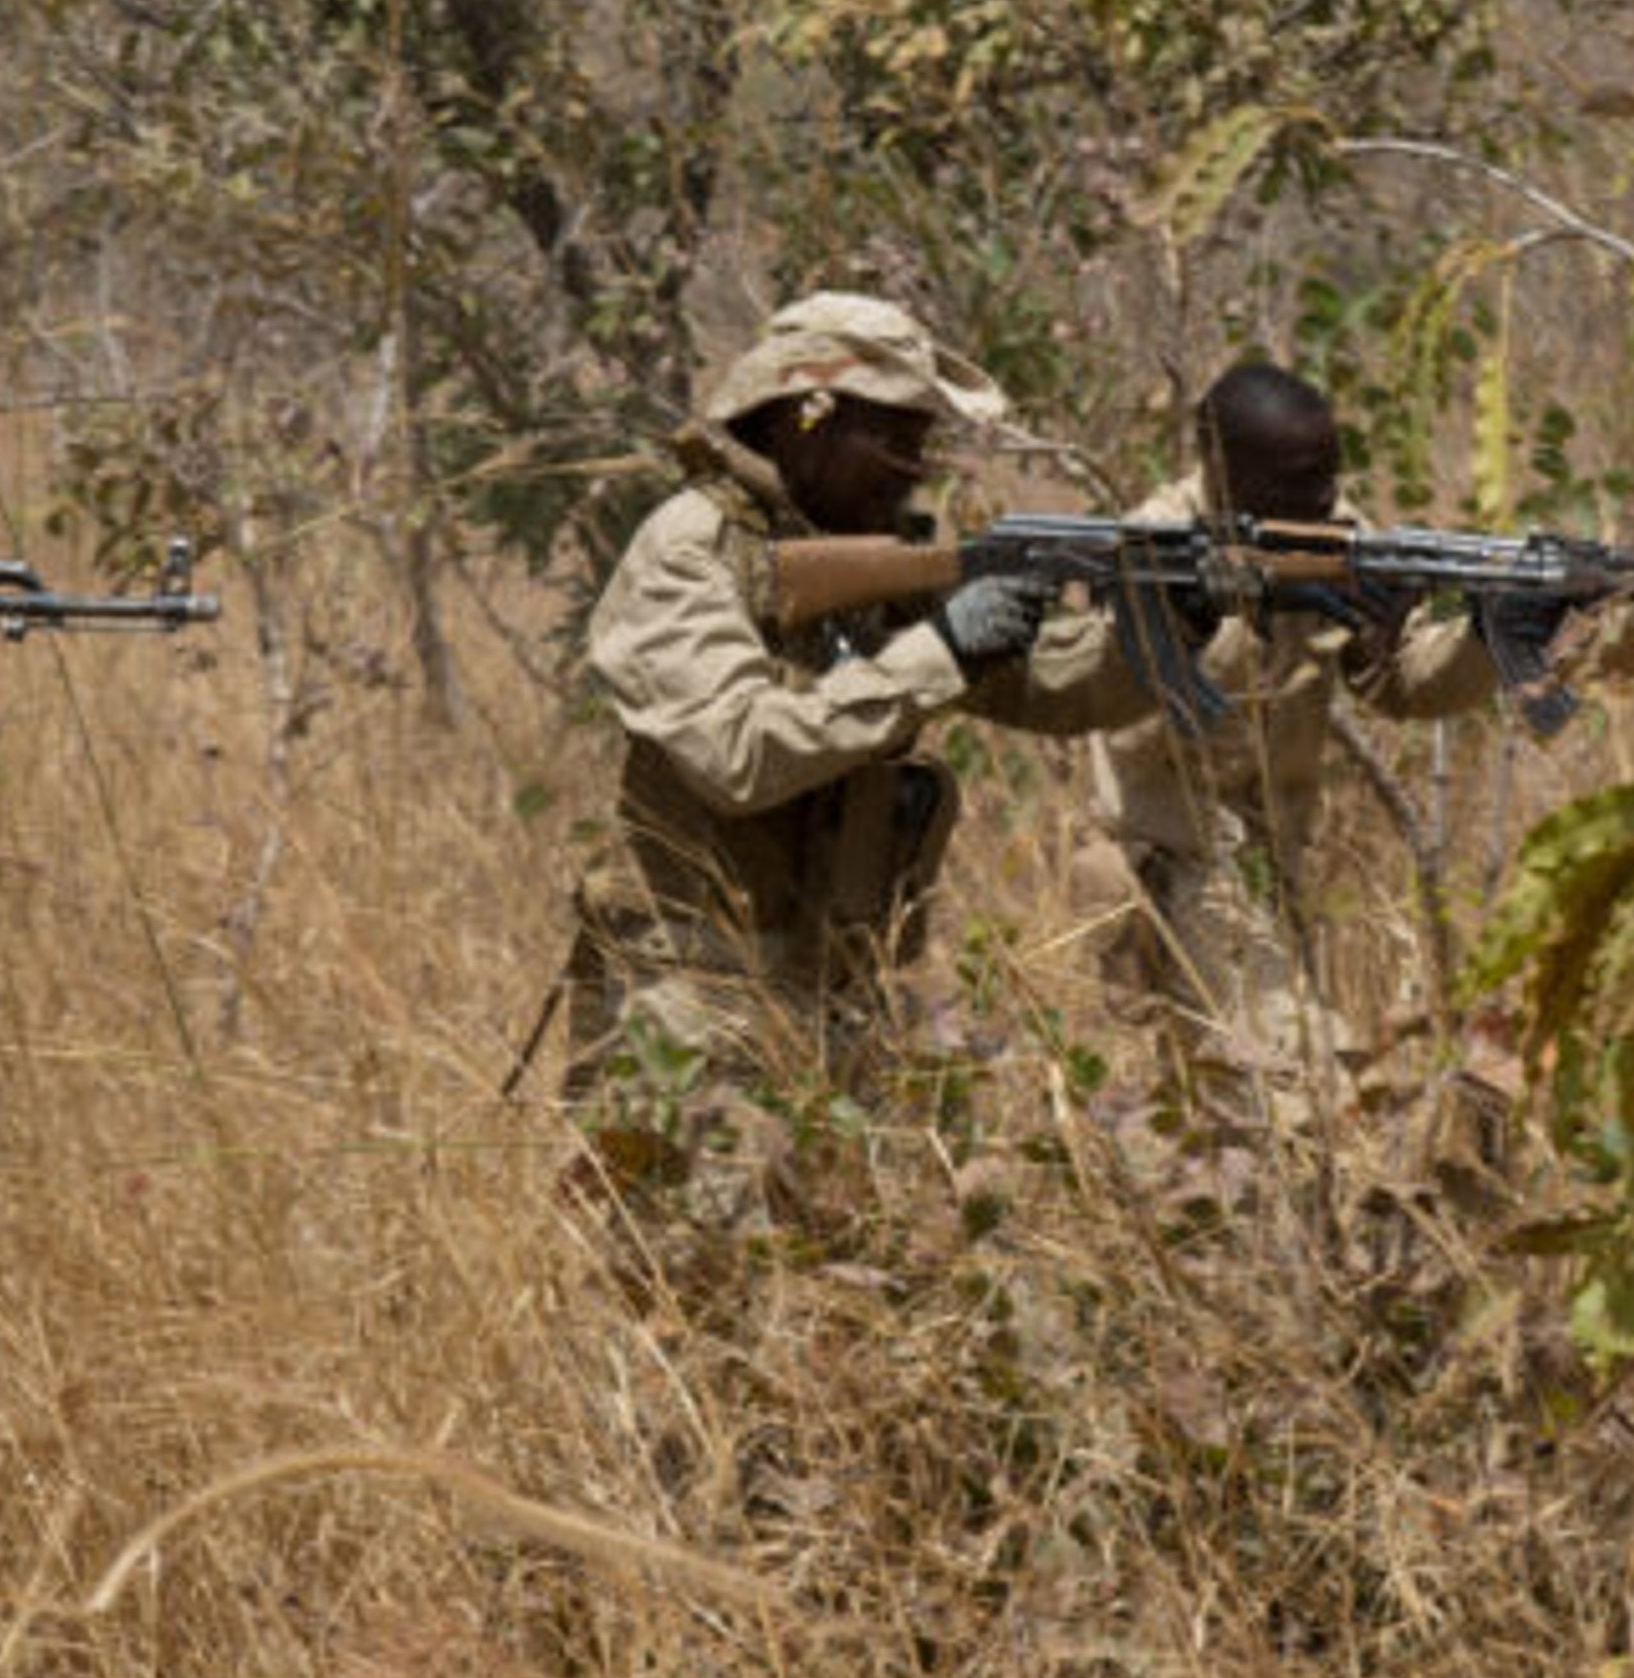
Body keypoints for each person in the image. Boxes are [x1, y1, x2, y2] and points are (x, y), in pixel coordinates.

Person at [556, 291, 1149, 1251]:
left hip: (835, 1006)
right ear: (807, 417)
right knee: (695, 1304)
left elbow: (1059, 695)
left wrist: (1176, 624)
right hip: (697, 1008)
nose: (915, 472)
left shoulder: (869, 560)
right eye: (897, 441)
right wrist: (939, 653)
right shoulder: (690, 548)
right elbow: (736, 755)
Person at [1087, 362, 1507, 1097]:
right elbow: (1137, 733)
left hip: (1270, 870)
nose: (1323, 498)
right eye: (1297, 480)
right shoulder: (1156, 548)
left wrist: (1487, 631)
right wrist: (1232, 616)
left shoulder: (1326, 531)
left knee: (1224, 1124)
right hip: (1173, 866)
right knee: (1308, 1094)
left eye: (1329, 475)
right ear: (1220, 464)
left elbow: (1404, 687)